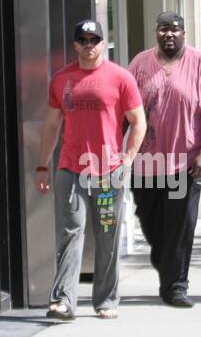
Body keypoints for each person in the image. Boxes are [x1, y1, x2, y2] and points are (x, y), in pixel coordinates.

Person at [36, 19, 146, 321]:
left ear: (102, 43)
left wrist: (127, 160)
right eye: (83, 40)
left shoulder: (120, 78)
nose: (89, 45)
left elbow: (139, 122)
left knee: (107, 234)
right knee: (71, 232)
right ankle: (63, 301)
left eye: (94, 40)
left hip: (108, 173)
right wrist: (43, 165)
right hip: (70, 170)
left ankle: (106, 299)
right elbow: (51, 124)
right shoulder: (61, 79)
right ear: (75, 45)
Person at [128, 11, 201, 308]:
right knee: (150, 222)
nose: (169, 34)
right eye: (163, 29)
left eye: (175, 30)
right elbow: (127, 110)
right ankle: (167, 268)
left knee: (180, 225)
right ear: (155, 33)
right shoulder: (139, 63)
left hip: (186, 163)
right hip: (146, 163)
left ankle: (176, 286)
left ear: (183, 34)